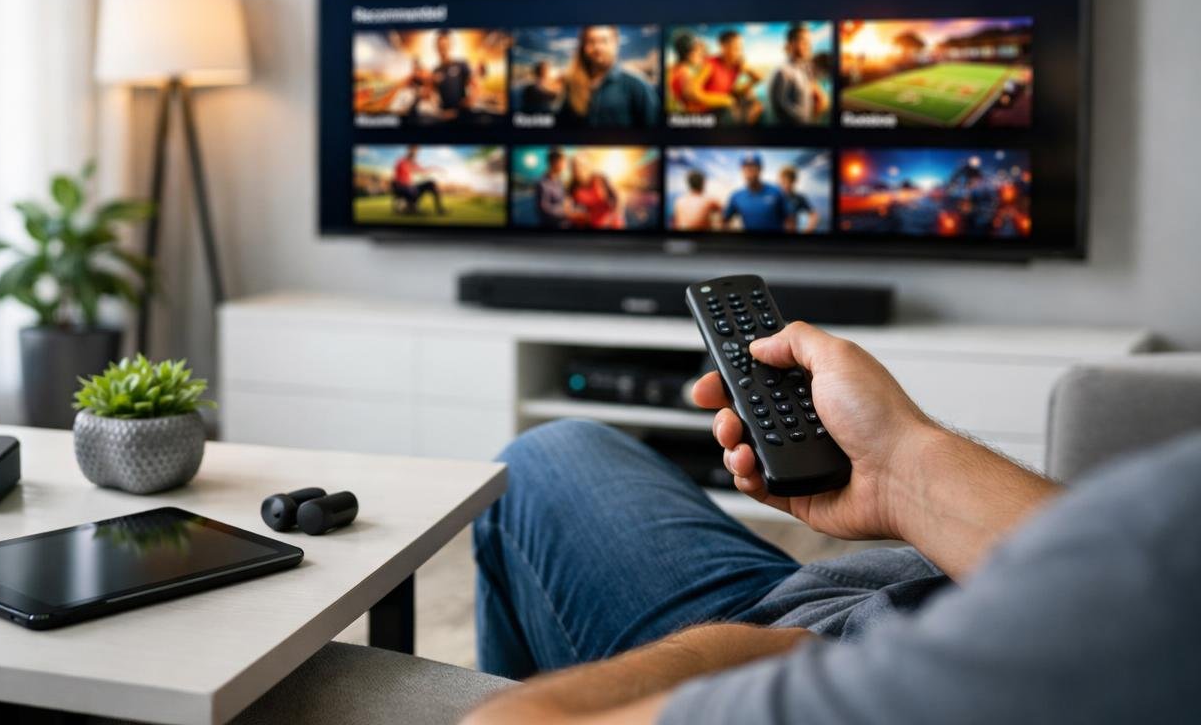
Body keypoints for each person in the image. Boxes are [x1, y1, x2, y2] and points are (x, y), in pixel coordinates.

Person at [464, 322, 1200, 725]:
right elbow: (1089, 581)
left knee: (543, 458)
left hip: (792, 645)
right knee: (562, 448)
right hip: (870, 595)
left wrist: (756, 650)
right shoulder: (1159, 564)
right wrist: (904, 467)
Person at [556, 25, 660, 128]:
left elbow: (655, 132)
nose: (597, 47)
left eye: (604, 41)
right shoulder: (572, 84)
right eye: (591, 41)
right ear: (583, 46)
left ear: (616, 43)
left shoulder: (637, 85)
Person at [767, 22, 829, 125]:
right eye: (803, 41)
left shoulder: (803, 69)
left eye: (809, 42)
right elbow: (780, 110)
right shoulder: (782, 72)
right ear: (791, 43)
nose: (808, 45)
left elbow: (815, 82)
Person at [700, 30, 764, 126]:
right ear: (723, 47)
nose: (739, 53)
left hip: (726, 101)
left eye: (741, 49)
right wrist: (727, 101)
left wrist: (747, 69)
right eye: (736, 48)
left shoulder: (736, 66)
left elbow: (759, 78)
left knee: (755, 102)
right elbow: (694, 94)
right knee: (733, 111)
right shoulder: (709, 63)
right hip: (710, 109)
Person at [722, 152, 790, 232]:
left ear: (760, 168)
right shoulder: (736, 196)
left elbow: (789, 219)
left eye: (753, 166)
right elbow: (724, 221)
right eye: (745, 167)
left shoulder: (776, 191)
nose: (749, 170)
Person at [430, 30, 475, 122]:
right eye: (440, 46)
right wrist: (439, 112)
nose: (443, 49)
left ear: (450, 46)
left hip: (463, 117)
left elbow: (475, 86)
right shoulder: (435, 71)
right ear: (436, 48)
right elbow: (432, 94)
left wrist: (468, 103)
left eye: (445, 45)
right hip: (444, 117)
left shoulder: (461, 64)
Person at [389, 145, 445, 215]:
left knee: (431, 183)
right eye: (413, 150)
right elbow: (396, 179)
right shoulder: (401, 162)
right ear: (409, 150)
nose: (415, 153)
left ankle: (440, 210)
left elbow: (423, 171)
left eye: (416, 151)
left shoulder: (413, 163)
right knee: (410, 191)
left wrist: (436, 168)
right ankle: (410, 207)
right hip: (404, 190)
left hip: (411, 189)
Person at [666, 32, 713, 115]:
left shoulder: (677, 69)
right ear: (688, 54)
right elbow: (695, 97)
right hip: (695, 116)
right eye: (698, 52)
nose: (701, 55)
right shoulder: (682, 73)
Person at [567, 156, 620, 229]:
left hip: (609, 223)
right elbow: (568, 210)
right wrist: (581, 216)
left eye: (581, 165)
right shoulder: (573, 187)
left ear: (588, 166)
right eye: (574, 166)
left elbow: (617, 197)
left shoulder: (600, 178)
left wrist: (614, 217)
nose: (577, 169)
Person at [534, 147, 569, 228]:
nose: (564, 165)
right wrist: (566, 212)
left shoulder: (560, 181)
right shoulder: (542, 183)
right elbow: (544, 210)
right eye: (562, 161)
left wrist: (567, 202)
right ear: (554, 162)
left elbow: (564, 199)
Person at [779, 164, 817, 233]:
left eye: (789, 181)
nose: (785, 185)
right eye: (783, 181)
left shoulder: (799, 198)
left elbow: (814, 214)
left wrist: (808, 229)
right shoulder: (774, 197)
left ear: (794, 182)